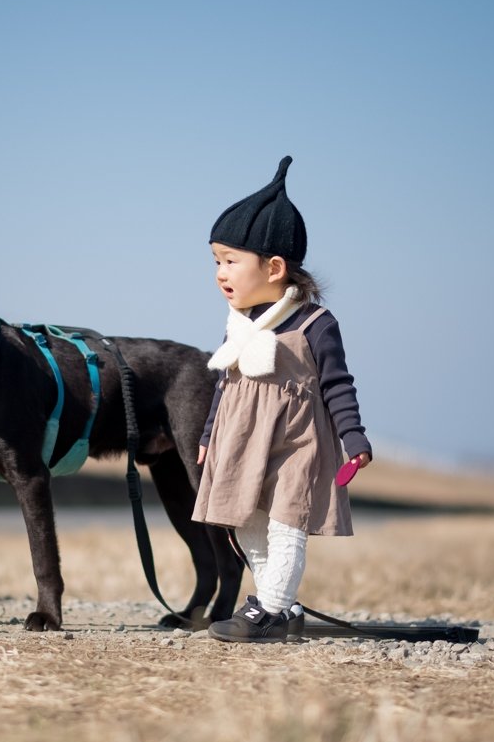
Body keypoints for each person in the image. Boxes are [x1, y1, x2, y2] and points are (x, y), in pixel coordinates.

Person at [193, 155, 373, 643]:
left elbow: (338, 384)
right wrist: (209, 435)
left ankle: (269, 610)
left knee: (286, 524)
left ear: (274, 267)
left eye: (231, 260)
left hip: (298, 442)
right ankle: (281, 604)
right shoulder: (241, 324)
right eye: (216, 261)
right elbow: (226, 385)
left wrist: (354, 436)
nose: (220, 272)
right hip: (242, 441)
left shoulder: (316, 324)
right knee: (246, 520)